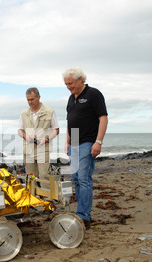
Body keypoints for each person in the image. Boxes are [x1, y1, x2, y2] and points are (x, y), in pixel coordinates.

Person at [63, 68, 108, 229]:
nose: (68, 86)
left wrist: (98, 142)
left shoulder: (93, 94)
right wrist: (67, 142)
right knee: (75, 178)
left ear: (80, 79)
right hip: (74, 141)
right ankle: (81, 212)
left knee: (83, 178)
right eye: (66, 84)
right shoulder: (71, 98)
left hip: (88, 141)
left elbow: (103, 117)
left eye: (71, 83)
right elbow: (70, 121)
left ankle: (84, 216)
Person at [18, 87, 59, 178]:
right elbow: (20, 130)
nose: (30, 102)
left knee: (44, 175)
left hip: (43, 148)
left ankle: (45, 192)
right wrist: (25, 136)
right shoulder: (23, 113)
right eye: (28, 100)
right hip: (28, 149)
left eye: (32, 99)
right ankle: (33, 193)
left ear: (39, 97)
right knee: (31, 177)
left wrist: (47, 139)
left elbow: (56, 129)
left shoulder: (50, 112)